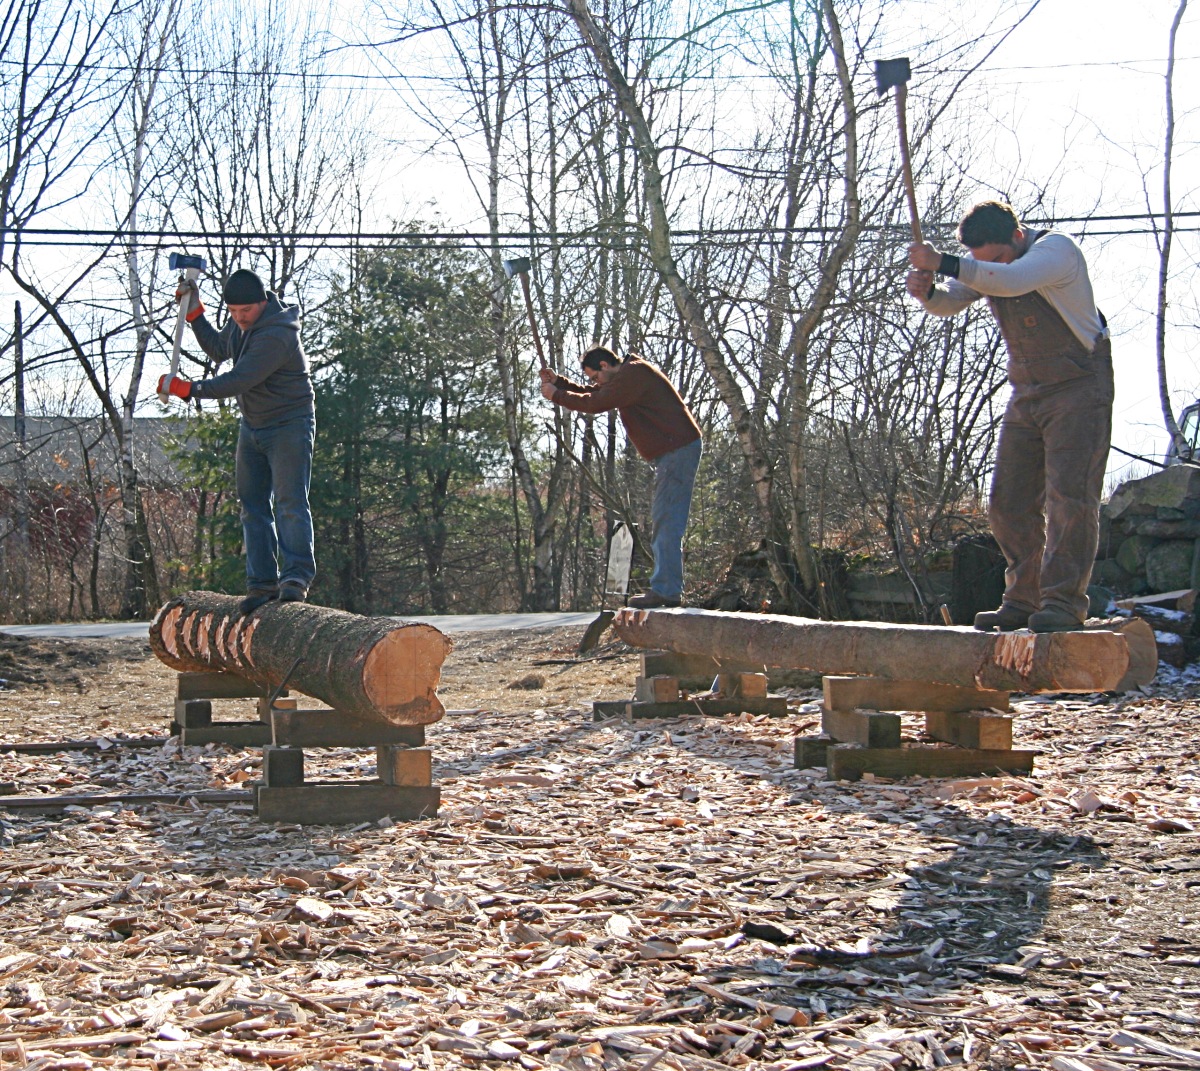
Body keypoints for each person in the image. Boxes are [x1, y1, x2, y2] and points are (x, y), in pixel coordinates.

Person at [906, 200, 1113, 633]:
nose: (989, 269)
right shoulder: (993, 263)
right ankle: (1023, 599)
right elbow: (951, 301)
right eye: (984, 262)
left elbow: (1010, 280)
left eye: (995, 258)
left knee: (1070, 500)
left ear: (1017, 236)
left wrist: (943, 261)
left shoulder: (1056, 253)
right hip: (1027, 392)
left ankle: (1062, 605)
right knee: (1007, 503)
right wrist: (927, 292)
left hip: (1078, 389)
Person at [158, 268, 317, 614]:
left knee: (289, 502)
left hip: (289, 423)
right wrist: (196, 313)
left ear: (262, 303)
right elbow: (219, 349)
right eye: (232, 312)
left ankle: (295, 580)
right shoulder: (243, 322)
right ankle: (262, 583)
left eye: (245, 311)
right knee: (251, 505)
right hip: (254, 424)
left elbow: (238, 379)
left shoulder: (278, 334)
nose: (239, 318)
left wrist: (189, 390)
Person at [540, 346, 702, 609]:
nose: (594, 382)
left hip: (678, 450)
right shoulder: (627, 375)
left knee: (667, 519)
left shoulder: (635, 374)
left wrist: (557, 395)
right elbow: (596, 393)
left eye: (594, 376)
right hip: (673, 451)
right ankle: (666, 588)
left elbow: (596, 403)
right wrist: (560, 383)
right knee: (665, 517)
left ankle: (667, 590)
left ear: (604, 365)